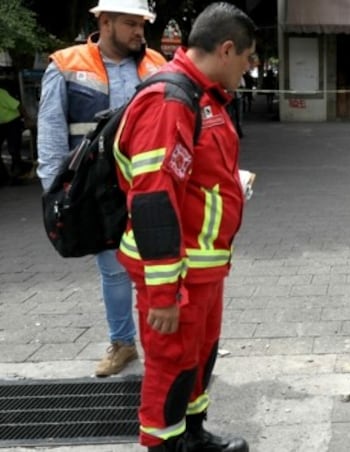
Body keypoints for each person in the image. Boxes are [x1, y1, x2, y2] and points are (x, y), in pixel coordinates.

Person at [113, 3, 256, 451]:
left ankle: (192, 435)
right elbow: (154, 199)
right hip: (177, 274)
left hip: (203, 267)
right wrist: (164, 292)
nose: (249, 69)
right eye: (248, 59)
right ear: (227, 49)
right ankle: (165, 444)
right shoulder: (170, 101)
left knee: (199, 356)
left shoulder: (203, 96)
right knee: (171, 365)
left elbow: (193, 176)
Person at [36, 0, 166, 376]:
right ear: (104, 21)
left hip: (147, 181)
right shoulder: (66, 65)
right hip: (97, 187)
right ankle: (123, 343)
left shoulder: (158, 65)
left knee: (158, 265)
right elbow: (51, 134)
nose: (139, 32)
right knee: (113, 269)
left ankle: (160, 346)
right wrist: (56, 194)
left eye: (142, 24)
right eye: (130, 24)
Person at [0, 81, 34, 186]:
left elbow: (18, 105)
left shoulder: (1, 93)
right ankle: (4, 176)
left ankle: (20, 173)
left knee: (13, 149)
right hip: (1, 124)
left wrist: (27, 119)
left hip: (12, 122)